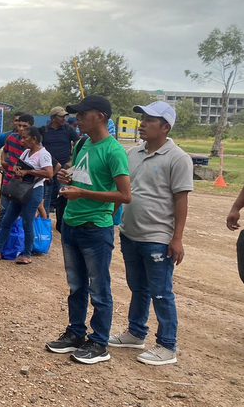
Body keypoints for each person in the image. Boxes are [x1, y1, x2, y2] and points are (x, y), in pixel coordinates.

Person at [45, 95, 131, 365]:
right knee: (76, 285)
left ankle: (99, 342)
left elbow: (125, 195)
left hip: (95, 228)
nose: (76, 118)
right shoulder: (83, 143)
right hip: (71, 223)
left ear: (101, 117)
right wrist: (65, 176)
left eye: (82, 114)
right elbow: (78, 172)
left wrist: (82, 192)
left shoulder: (114, 150)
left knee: (99, 289)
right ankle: (75, 333)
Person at [109, 101, 192, 366]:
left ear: (165, 127)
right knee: (138, 288)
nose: (142, 123)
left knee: (161, 292)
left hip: (157, 237)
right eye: (142, 118)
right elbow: (124, 189)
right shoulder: (133, 153)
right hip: (131, 233)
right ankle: (136, 333)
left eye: (150, 119)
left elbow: (181, 200)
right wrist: (113, 215)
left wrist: (176, 238)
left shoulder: (178, 158)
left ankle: (167, 346)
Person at [0, 126, 53, 264]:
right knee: (7, 220)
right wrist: (17, 170)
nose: (22, 141)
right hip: (21, 190)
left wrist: (28, 172)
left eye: (25, 138)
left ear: (34, 139)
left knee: (27, 222)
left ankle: (26, 253)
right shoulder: (26, 152)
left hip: (34, 191)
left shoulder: (44, 154)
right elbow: (20, 166)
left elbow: (49, 173)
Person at [0, 113, 34, 257]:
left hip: (25, 186)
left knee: (24, 217)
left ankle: (22, 247)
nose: (20, 128)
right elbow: (5, 152)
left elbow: (48, 168)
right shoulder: (10, 138)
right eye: (19, 124)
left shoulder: (33, 145)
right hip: (8, 180)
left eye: (24, 126)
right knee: (4, 212)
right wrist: (3, 165)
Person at [40, 107, 79, 221]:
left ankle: (62, 221)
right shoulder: (44, 130)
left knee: (64, 195)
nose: (64, 118)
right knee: (46, 196)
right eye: (61, 116)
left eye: (64, 116)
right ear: (53, 118)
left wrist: (71, 161)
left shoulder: (68, 130)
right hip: (48, 169)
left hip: (64, 169)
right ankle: (45, 220)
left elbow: (79, 145)